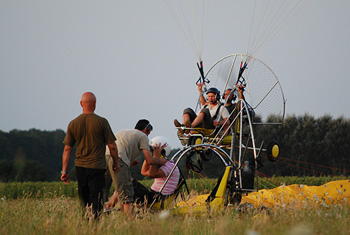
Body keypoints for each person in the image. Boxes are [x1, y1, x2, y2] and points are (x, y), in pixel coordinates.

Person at [61, 92, 119, 219]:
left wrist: (64, 171)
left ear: (81, 104)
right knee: (96, 198)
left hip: (80, 167)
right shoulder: (102, 122)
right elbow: (112, 146)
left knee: (84, 198)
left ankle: (86, 222)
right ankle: (95, 224)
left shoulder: (73, 123)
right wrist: (116, 163)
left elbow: (67, 149)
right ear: (95, 104)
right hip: (97, 167)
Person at [104, 119, 167, 216]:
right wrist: (160, 161)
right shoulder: (143, 136)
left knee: (104, 192)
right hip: (119, 159)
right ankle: (130, 224)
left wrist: (130, 161)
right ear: (146, 130)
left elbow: (118, 148)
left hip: (104, 157)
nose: (148, 135)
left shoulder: (125, 132)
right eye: (149, 133)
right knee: (126, 196)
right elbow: (149, 160)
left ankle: (97, 216)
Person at [106, 136, 180, 208]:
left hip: (157, 198)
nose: (151, 151)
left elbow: (151, 174)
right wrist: (149, 158)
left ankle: (109, 205)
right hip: (151, 194)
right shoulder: (163, 163)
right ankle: (110, 205)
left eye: (153, 150)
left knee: (125, 180)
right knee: (123, 180)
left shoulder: (170, 166)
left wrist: (155, 157)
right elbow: (143, 172)